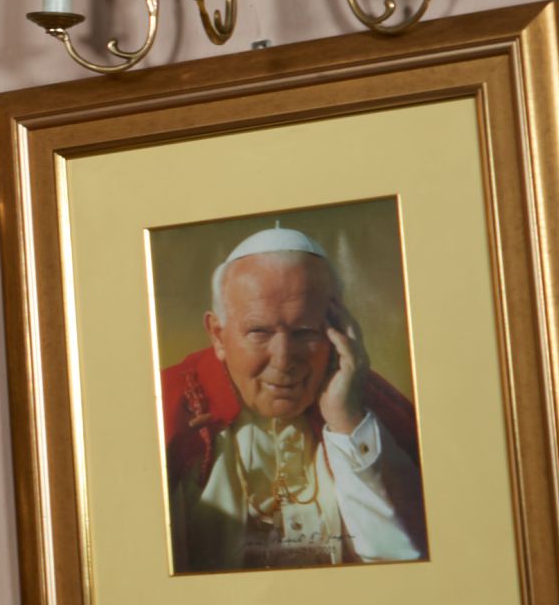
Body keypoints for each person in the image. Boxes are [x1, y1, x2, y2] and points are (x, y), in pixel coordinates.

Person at [161, 224, 427, 569]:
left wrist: (347, 421)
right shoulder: (168, 410)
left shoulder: (374, 408)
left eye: (304, 331)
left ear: (337, 331)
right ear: (217, 335)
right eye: (259, 332)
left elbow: (408, 561)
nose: (284, 359)